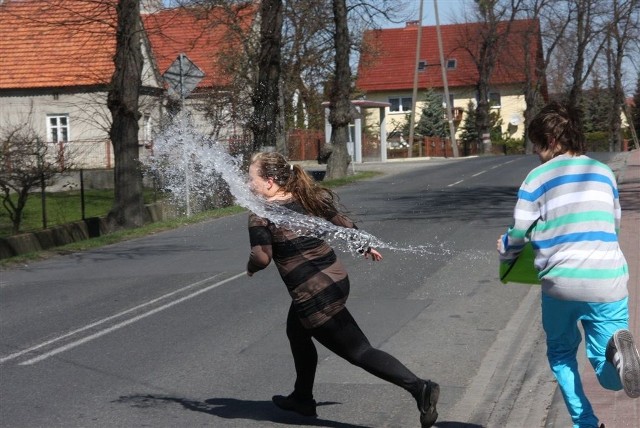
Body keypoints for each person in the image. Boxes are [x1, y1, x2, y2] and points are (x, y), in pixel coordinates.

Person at [246, 151, 439, 427]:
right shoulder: (304, 197)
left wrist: (251, 267)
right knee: (296, 331)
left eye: (251, 177)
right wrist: (363, 244)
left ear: (269, 181)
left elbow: (262, 257)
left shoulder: (261, 214)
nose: (247, 183)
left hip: (315, 294)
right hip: (335, 279)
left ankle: (420, 388)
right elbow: (341, 222)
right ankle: (302, 398)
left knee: (359, 351)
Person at [497, 101, 640, 428]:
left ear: (549, 139)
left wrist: (506, 250)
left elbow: (519, 234)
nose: (536, 152)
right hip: (608, 279)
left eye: (536, 143)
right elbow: (612, 228)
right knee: (609, 374)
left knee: (561, 355)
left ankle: (586, 424)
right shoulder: (602, 172)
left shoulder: (536, 178)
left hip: (560, 284)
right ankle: (618, 357)